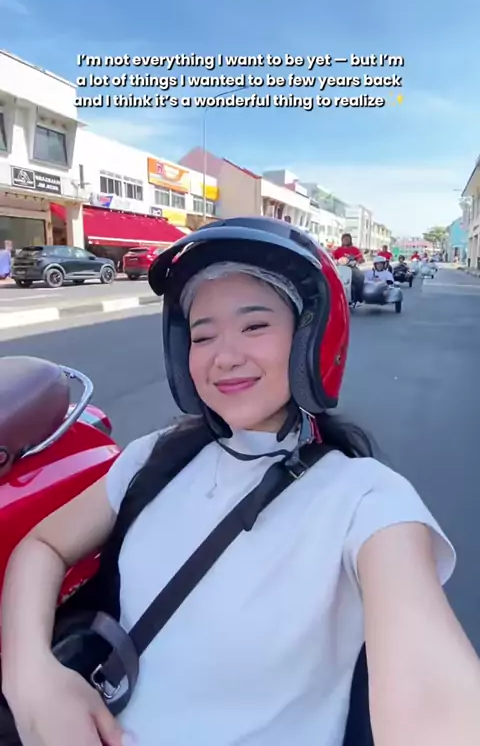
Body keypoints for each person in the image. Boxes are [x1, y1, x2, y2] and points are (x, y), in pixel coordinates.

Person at [3, 217, 480, 746]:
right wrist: (31, 678)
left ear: (310, 339)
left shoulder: (365, 499)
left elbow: (433, 701)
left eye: (254, 327)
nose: (224, 357)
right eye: (203, 335)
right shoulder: (154, 458)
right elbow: (42, 546)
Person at [332, 233, 365, 302]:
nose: (346, 240)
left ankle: (359, 297)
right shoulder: (338, 249)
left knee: (360, 277)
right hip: (339, 268)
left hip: (351, 268)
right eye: (344, 239)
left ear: (350, 240)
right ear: (342, 240)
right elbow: (332, 257)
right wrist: (332, 258)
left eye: (347, 239)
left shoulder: (355, 249)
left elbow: (360, 258)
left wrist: (359, 260)